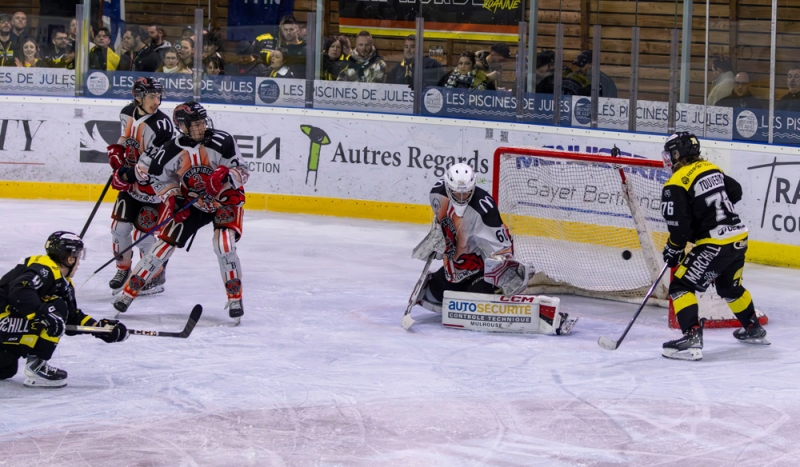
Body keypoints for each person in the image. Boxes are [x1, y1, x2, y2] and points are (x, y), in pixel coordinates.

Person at [113, 102, 250, 325]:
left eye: (202, 122)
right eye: (195, 124)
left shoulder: (223, 140)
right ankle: (128, 293)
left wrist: (226, 176)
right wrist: (173, 197)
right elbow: (159, 179)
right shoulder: (168, 151)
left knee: (224, 244)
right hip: (192, 204)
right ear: (182, 127)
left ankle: (235, 299)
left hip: (225, 201)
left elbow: (243, 171)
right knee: (162, 247)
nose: (201, 127)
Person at [413, 163, 575, 333]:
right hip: (457, 267)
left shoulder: (484, 208)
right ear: (447, 187)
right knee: (434, 294)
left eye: (466, 192)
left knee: (477, 297)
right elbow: (443, 224)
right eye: (456, 193)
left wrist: (504, 275)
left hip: (482, 269)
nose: (461, 197)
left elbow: (503, 250)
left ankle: (504, 298)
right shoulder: (437, 195)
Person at [659, 132, 767, 361]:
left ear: (678, 153)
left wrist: (674, 247)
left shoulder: (676, 182)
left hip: (714, 243)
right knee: (729, 287)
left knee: (680, 285)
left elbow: (680, 228)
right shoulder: (711, 168)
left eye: (671, 153)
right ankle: (752, 327)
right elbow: (735, 191)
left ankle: (691, 336)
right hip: (738, 239)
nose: (669, 159)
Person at [0, 232, 128, 388]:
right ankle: (36, 366)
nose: (79, 263)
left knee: (5, 369)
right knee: (56, 307)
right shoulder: (44, 269)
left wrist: (100, 329)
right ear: (70, 258)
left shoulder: (63, 283)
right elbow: (20, 291)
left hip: (7, 325)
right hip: (3, 319)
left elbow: (71, 317)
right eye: (78, 257)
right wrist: (45, 315)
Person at [106, 78, 175, 296]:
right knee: (119, 230)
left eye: (158, 96)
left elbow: (150, 163)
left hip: (154, 188)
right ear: (138, 97)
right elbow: (126, 137)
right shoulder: (127, 112)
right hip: (132, 186)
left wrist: (124, 175)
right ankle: (123, 269)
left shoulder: (162, 125)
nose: (156, 101)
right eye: (151, 96)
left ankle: (155, 275)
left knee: (144, 236)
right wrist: (117, 151)